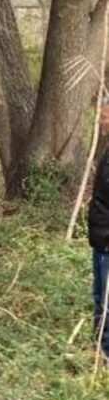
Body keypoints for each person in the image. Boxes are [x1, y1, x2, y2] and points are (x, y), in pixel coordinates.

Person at [88, 103, 109, 358]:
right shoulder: (106, 152)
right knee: (99, 294)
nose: (101, 123)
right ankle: (98, 344)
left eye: (104, 118)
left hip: (107, 240)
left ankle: (105, 351)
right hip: (100, 238)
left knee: (106, 300)